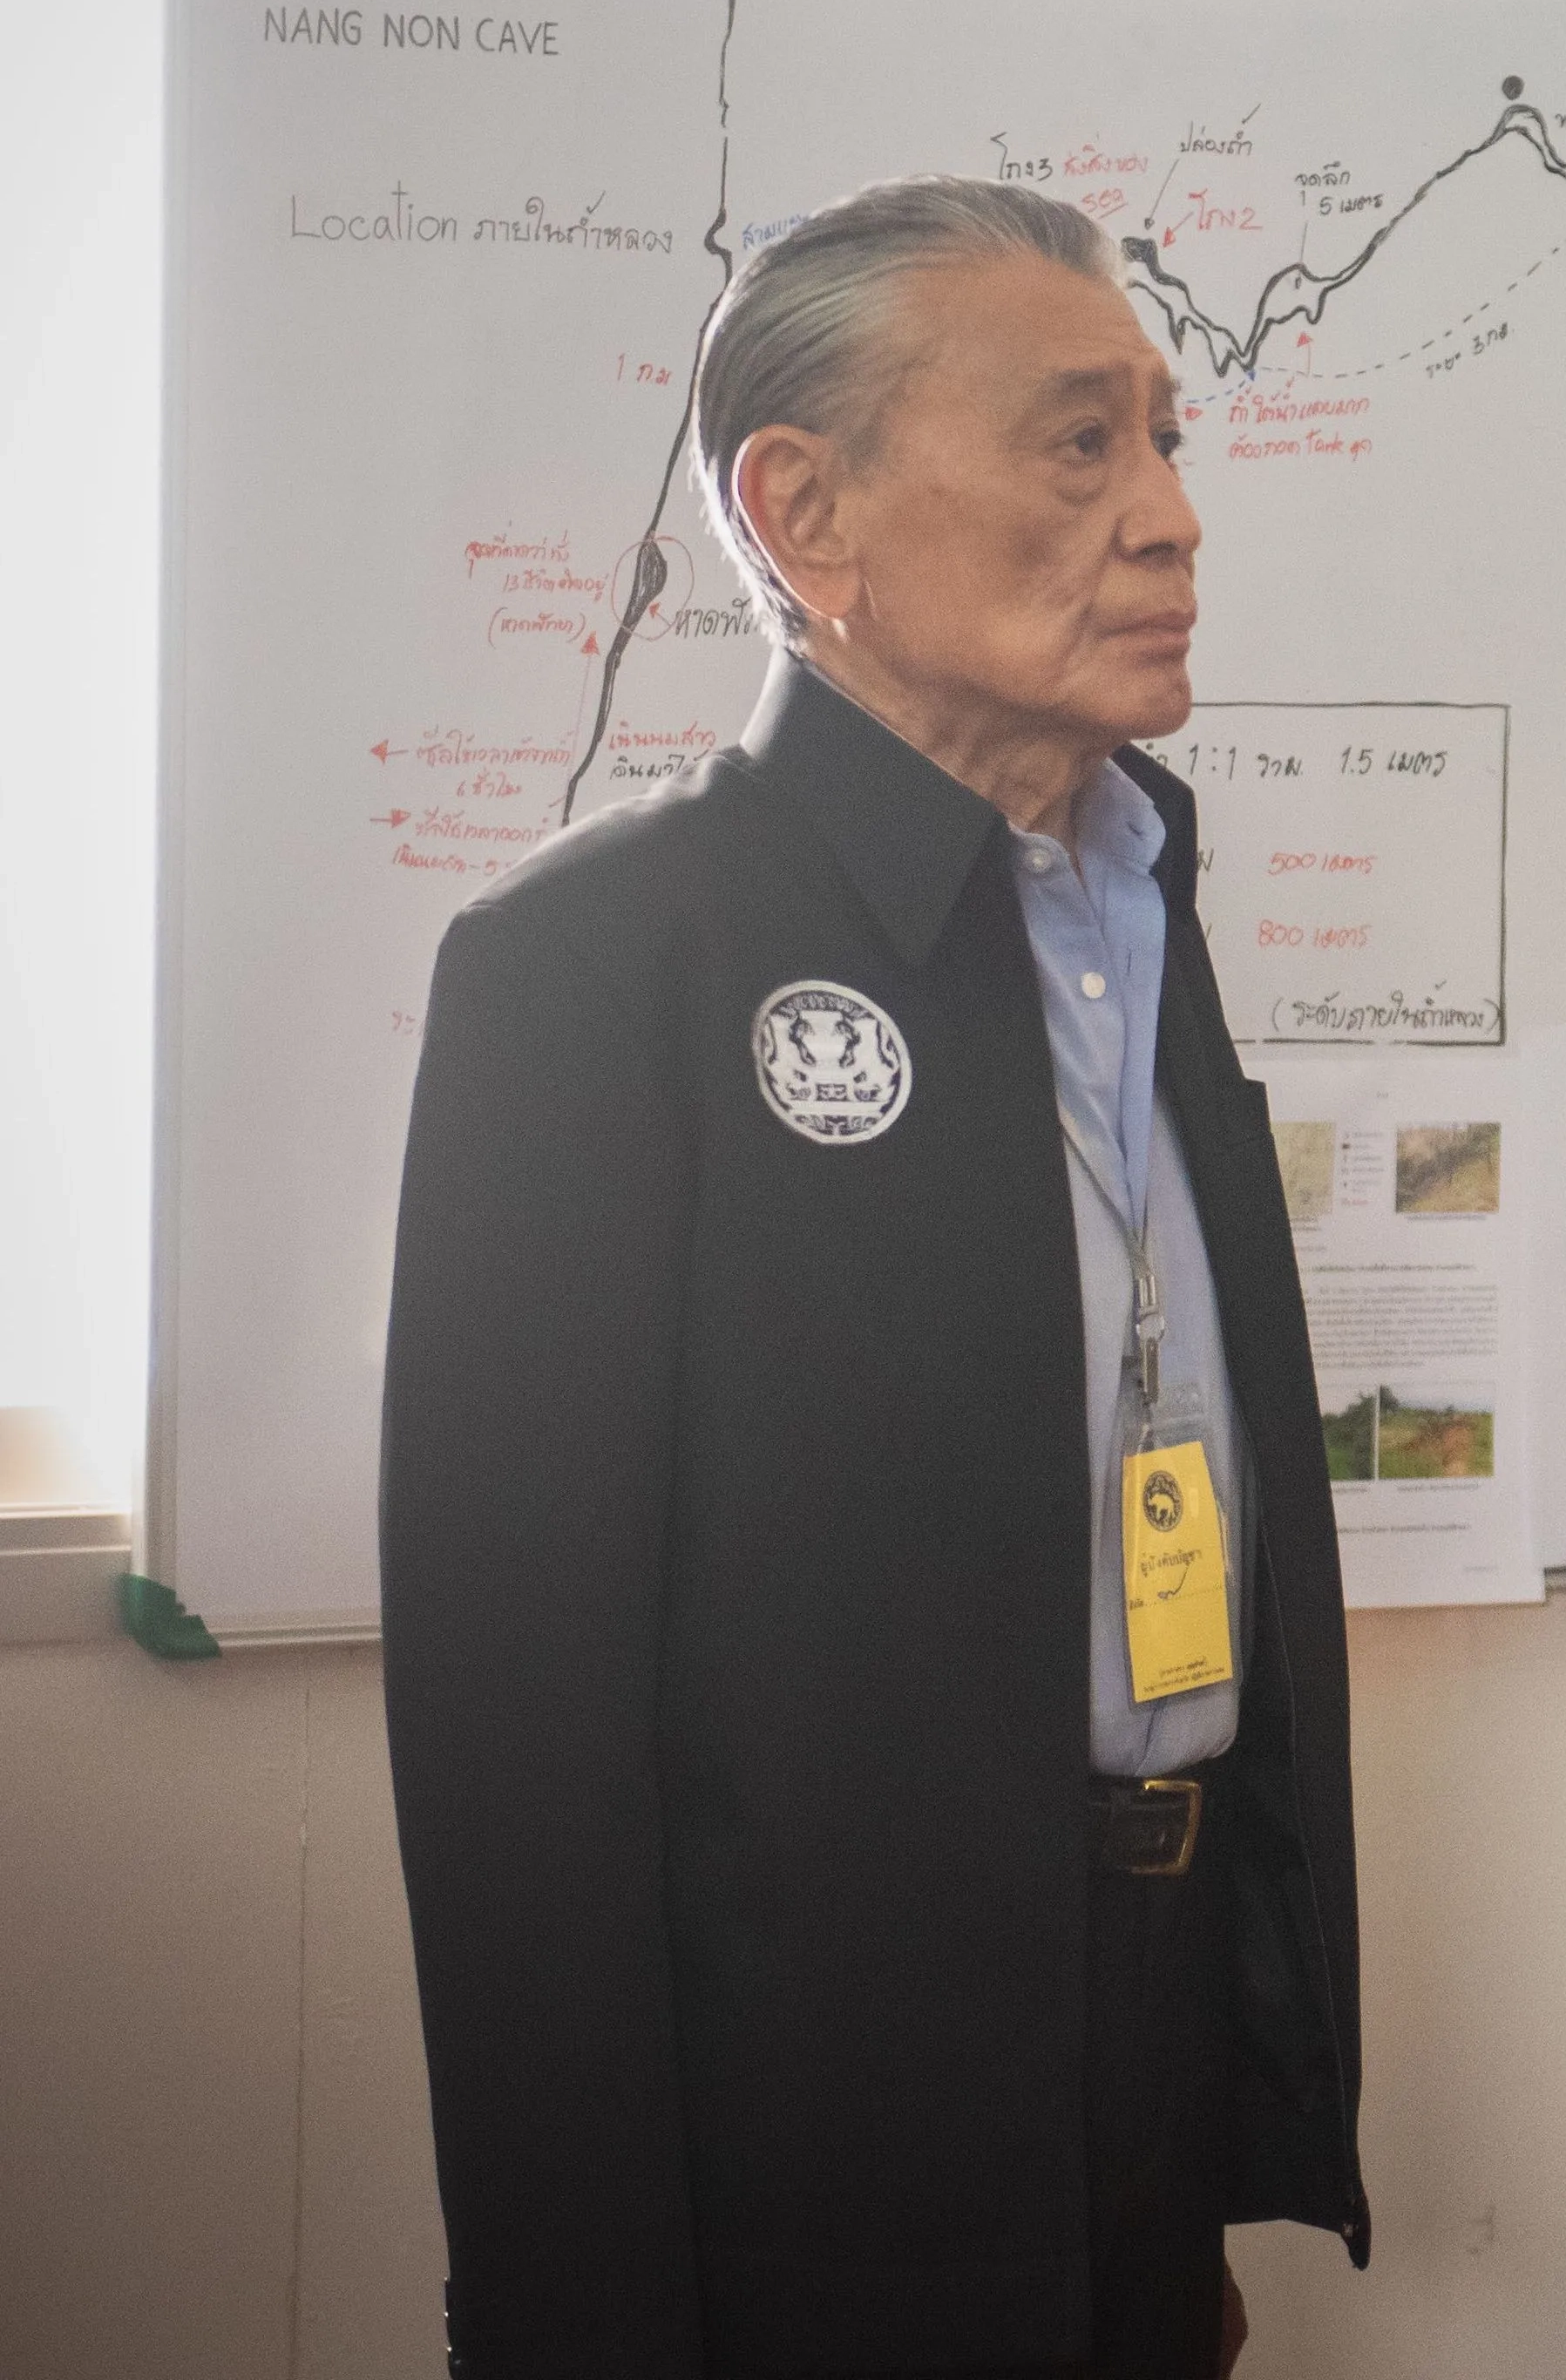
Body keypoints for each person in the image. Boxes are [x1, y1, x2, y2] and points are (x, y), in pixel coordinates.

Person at [382, 176, 1367, 2379]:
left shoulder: (1135, 910)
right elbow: (514, 1763)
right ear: (805, 515)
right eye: (1078, 442)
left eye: (1167, 436)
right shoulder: (595, 970)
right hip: (806, 2119)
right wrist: (570, 2315)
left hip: (1146, 2024)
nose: (1173, 514)